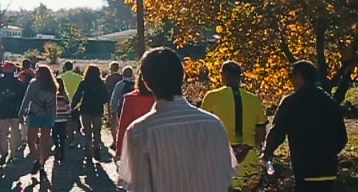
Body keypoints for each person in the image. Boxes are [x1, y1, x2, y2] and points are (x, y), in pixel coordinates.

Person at [117, 48, 236, 192]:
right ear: (183, 76)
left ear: (146, 82)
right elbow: (226, 180)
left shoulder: (139, 132)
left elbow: (140, 188)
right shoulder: (214, 124)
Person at [263, 61, 348, 192]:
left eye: (292, 75)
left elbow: (277, 132)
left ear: (299, 76)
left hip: (305, 167)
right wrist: (328, 152)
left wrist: (267, 153)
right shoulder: (329, 101)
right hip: (328, 169)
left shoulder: (292, 101)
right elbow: (342, 137)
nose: (290, 79)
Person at [201, 61, 269, 192]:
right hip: (249, 155)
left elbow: (204, 129)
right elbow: (261, 133)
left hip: (222, 156)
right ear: (240, 76)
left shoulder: (212, 97)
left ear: (223, 75)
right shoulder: (254, 99)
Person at [18, 64, 58, 180]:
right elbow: (54, 103)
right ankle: (42, 163)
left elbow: (27, 98)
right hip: (48, 116)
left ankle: (35, 160)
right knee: (44, 142)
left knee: (31, 140)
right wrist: (54, 117)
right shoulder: (53, 86)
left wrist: (21, 113)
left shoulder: (34, 84)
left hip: (34, 115)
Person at [71, 64, 111, 163]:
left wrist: (73, 106)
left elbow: (77, 95)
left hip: (85, 109)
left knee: (87, 132)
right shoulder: (101, 83)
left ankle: (88, 153)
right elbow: (106, 97)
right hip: (97, 110)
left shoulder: (84, 83)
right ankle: (96, 147)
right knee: (97, 131)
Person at [114, 66, 154, 161]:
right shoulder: (160, 99)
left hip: (136, 145)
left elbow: (124, 126)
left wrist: (119, 150)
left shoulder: (130, 99)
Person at [0, 62, 25, 164]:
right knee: (15, 133)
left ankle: (4, 152)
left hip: (2, 112)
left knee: (3, 134)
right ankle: (13, 153)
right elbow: (22, 98)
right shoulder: (19, 83)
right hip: (16, 112)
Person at [60, 61, 83, 142]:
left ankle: (67, 133)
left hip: (63, 102)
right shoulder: (79, 78)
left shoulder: (61, 77)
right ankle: (74, 132)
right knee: (74, 118)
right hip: (77, 102)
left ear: (64, 67)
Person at [104, 61, 124, 149]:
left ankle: (115, 141)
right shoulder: (121, 77)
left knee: (113, 121)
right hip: (122, 100)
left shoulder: (109, 78)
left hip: (111, 100)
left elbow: (106, 89)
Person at [52, 79, 72, 163]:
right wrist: (69, 116)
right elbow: (68, 108)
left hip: (53, 118)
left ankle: (56, 146)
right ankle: (62, 152)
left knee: (54, 135)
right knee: (62, 136)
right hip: (63, 118)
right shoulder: (64, 97)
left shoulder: (52, 96)